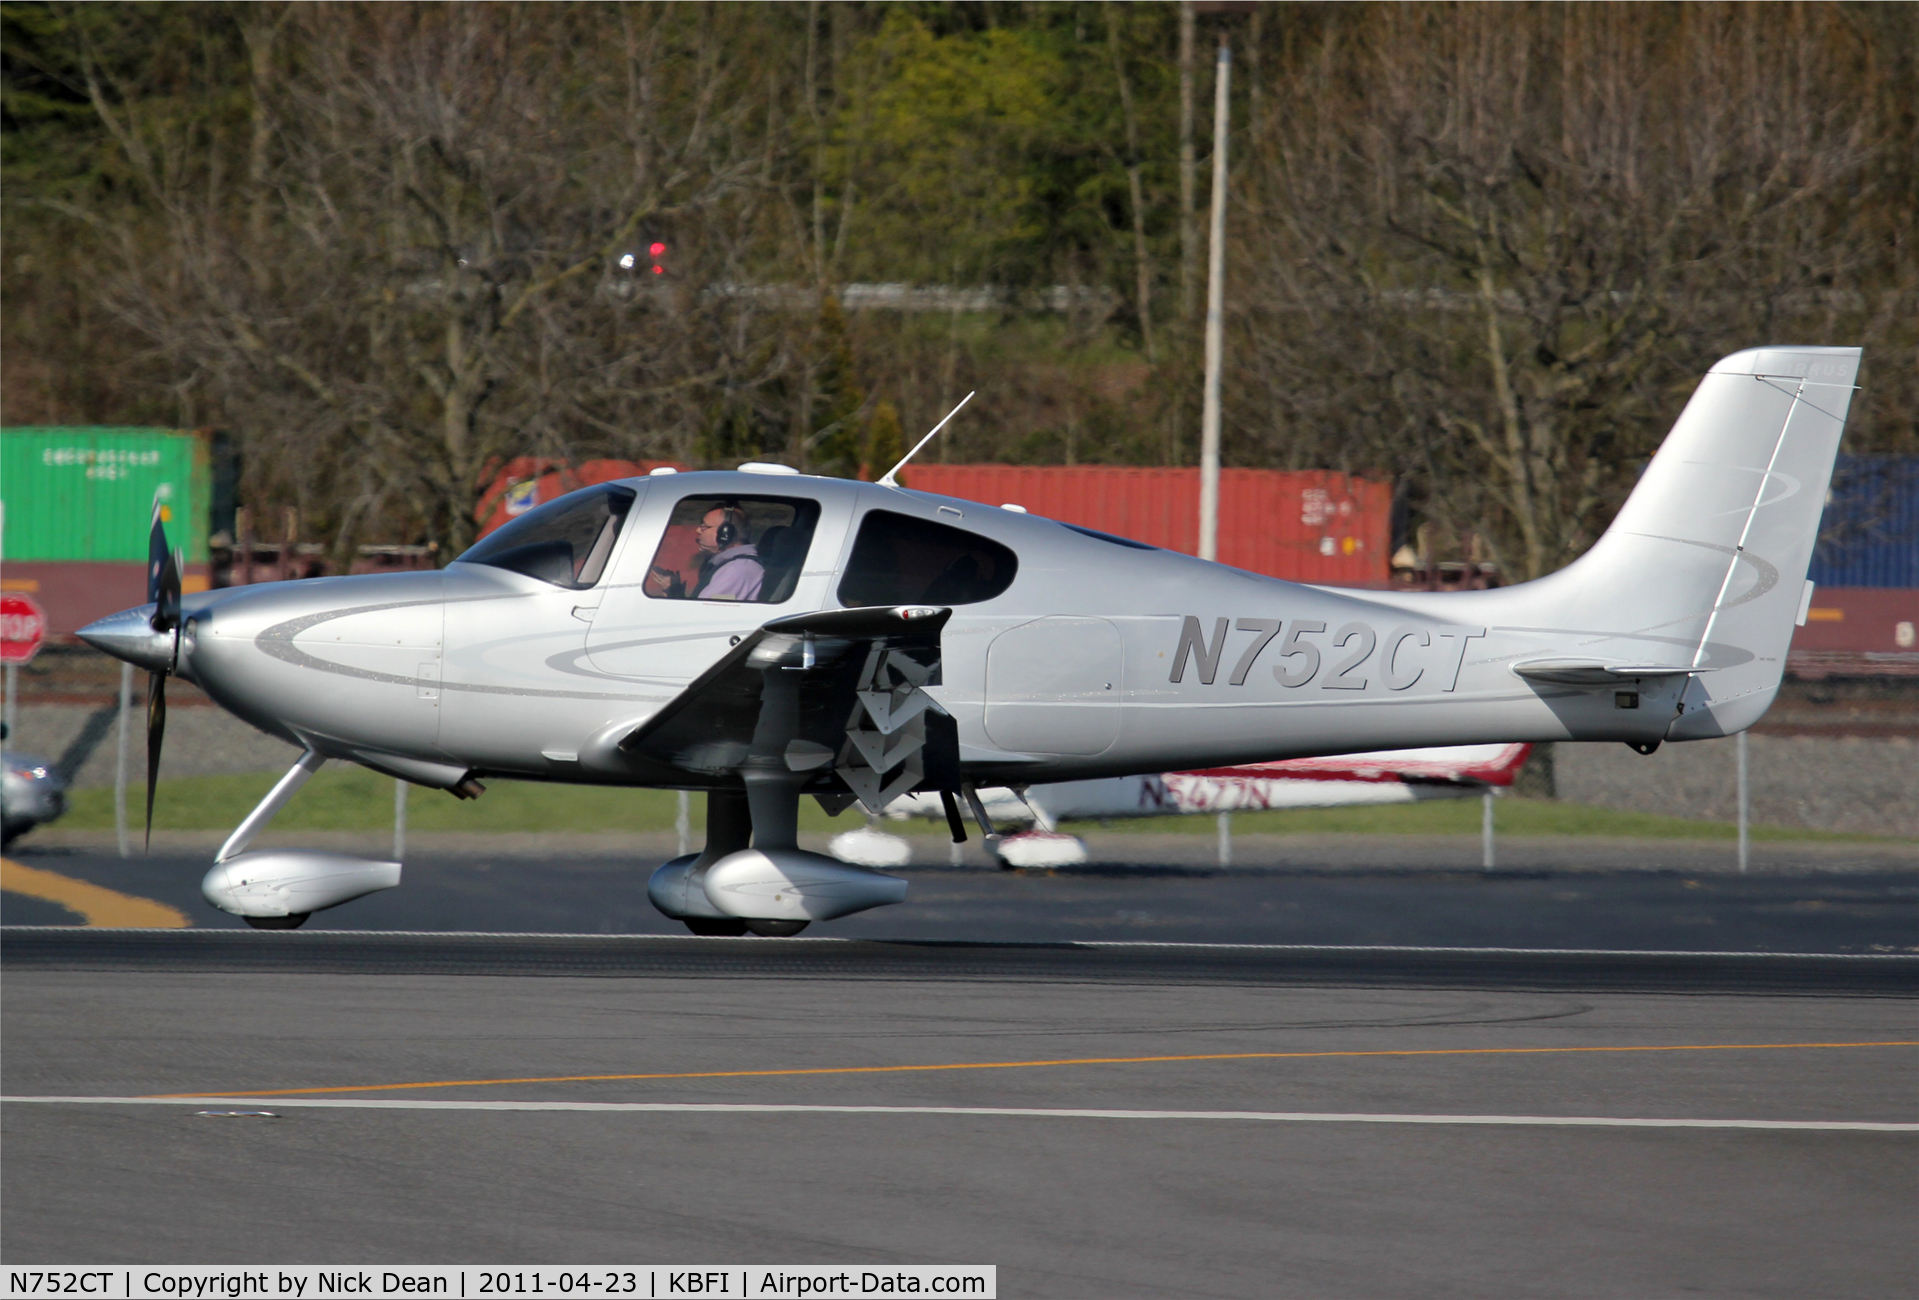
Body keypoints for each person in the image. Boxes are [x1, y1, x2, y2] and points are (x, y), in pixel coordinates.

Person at [672, 503, 763, 601]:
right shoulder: (732, 566)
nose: (698, 530)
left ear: (725, 533)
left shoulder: (737, 569)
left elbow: (703, 610)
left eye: (704, 526)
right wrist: (673, 592)